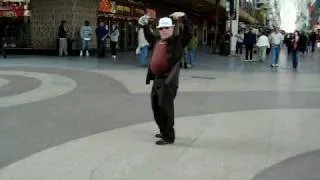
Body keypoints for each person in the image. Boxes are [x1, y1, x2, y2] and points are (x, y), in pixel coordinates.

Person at [144, 12, 191, 145]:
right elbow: (148, 35)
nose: (163, 30)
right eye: (161, 28)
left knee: (165, 108)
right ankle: (163, 130)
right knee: (156, 107)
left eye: (166, 28)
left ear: (172, 28)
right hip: (157, 79)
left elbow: (188, 34)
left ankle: (169, 136)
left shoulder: (177, 41)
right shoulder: (157, 40)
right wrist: (145, 24)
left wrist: (184, 18)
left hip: (167, 80)